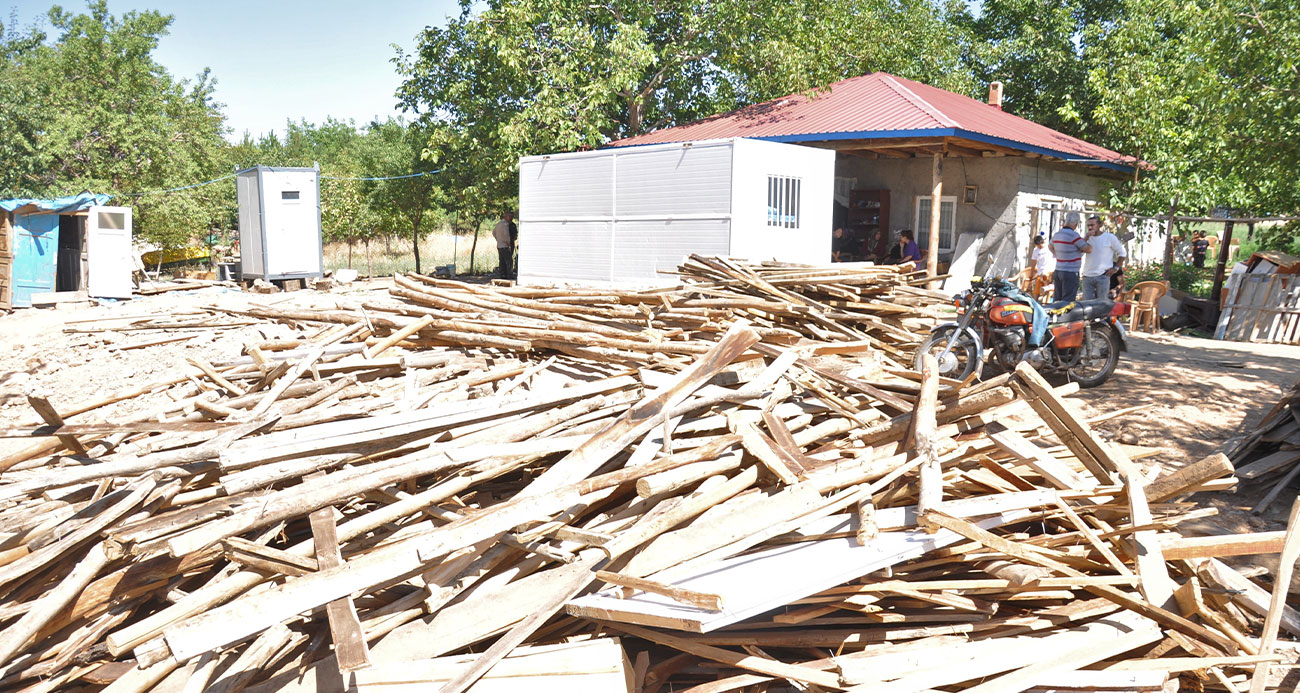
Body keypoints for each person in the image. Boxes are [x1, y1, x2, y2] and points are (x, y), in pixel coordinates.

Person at [1081, 215, 1125, 301]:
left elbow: (1122, 253)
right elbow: (1079, 253)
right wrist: (1086, 238)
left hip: (1103, 275)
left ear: (1100, 225)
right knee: (1086, 303)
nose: (1090, 228)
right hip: (1087, 275)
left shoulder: (1109, 238)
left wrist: (1116, 268)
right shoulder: (1086, 238)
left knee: (1101, 303)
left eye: (1092, 225)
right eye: (1088, 225)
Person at [1050, 212, 1090, 302]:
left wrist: (1058, 255)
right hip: (1071, 271)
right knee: (1068, 301)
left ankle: (1056, 311)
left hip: (1058, 270)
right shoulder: (1074, 235)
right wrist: (1087, 238)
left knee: (1057, 299)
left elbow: (1050, 246)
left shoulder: (1057, 234)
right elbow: (1087, 249)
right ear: (1076, 224)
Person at [493, 211, 516, 279]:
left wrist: (498, 239)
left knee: (502, 261)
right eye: (510, 216)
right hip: (505, 245)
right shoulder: (505, 224)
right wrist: (508, 243)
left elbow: (493, 232)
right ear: (507, 217)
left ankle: (503, 275)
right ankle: (510, 276)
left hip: (499, 245)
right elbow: (506, 235)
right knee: (509, 261)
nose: (511, 218)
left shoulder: (498, 224)